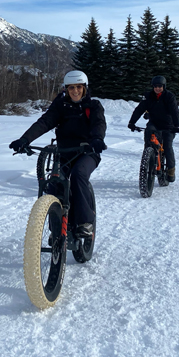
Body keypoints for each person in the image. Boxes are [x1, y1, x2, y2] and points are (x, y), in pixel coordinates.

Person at [9, 71, 106, 238]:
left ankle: (85, 222)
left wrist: (97, 139)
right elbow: (45, 122)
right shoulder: (61, 105)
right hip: (64, 152)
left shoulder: (94, 106)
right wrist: (25, 139)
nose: (75, 91)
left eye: (78, 87)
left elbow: (99, 123)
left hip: (87, 152)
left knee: (78, 175)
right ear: (66, 89)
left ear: (85, 88)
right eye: (71, 88)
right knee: (55, 184)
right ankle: (58, 225)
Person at [127, 75, 179, 181]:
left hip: (168, 125)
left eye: (160, 86)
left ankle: (171, 170)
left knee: (167, 146)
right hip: (154, 123)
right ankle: (148, 158)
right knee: (148, 133)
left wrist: (177, 125)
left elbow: (175, 111)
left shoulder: (169, 96)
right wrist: (132, 122)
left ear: (164, 86)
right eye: (155, 86)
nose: (157, 88)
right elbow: (139, 109)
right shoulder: (149, 96)